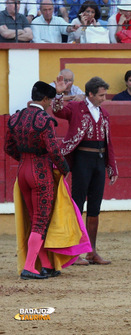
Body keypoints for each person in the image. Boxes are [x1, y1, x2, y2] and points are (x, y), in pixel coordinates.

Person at [5, 81, 71, 279]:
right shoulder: (44, 120)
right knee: (41, 221)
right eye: (50, 101)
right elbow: (53, 150)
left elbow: (8, 148)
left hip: (22, 172)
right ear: (44, 99)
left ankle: (47, 265)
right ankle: (29, 268)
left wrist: (24, 160)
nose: (50, 104)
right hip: (40, 173)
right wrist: (64, 169)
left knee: (35, 220)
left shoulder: (15, 118)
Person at [52, 76, 118, 266]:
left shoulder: (104, 113)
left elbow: (109, 142)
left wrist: (111, 166)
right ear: (90, 94)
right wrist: (59, 93)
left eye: (105, 95)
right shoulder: (75, 108)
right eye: (100, 95)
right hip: (82, 160)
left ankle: (91, 252)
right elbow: (57, 111)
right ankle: (74, 252)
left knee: (95, 208)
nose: (103, 99)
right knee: (77, 205)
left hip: (98, 160)